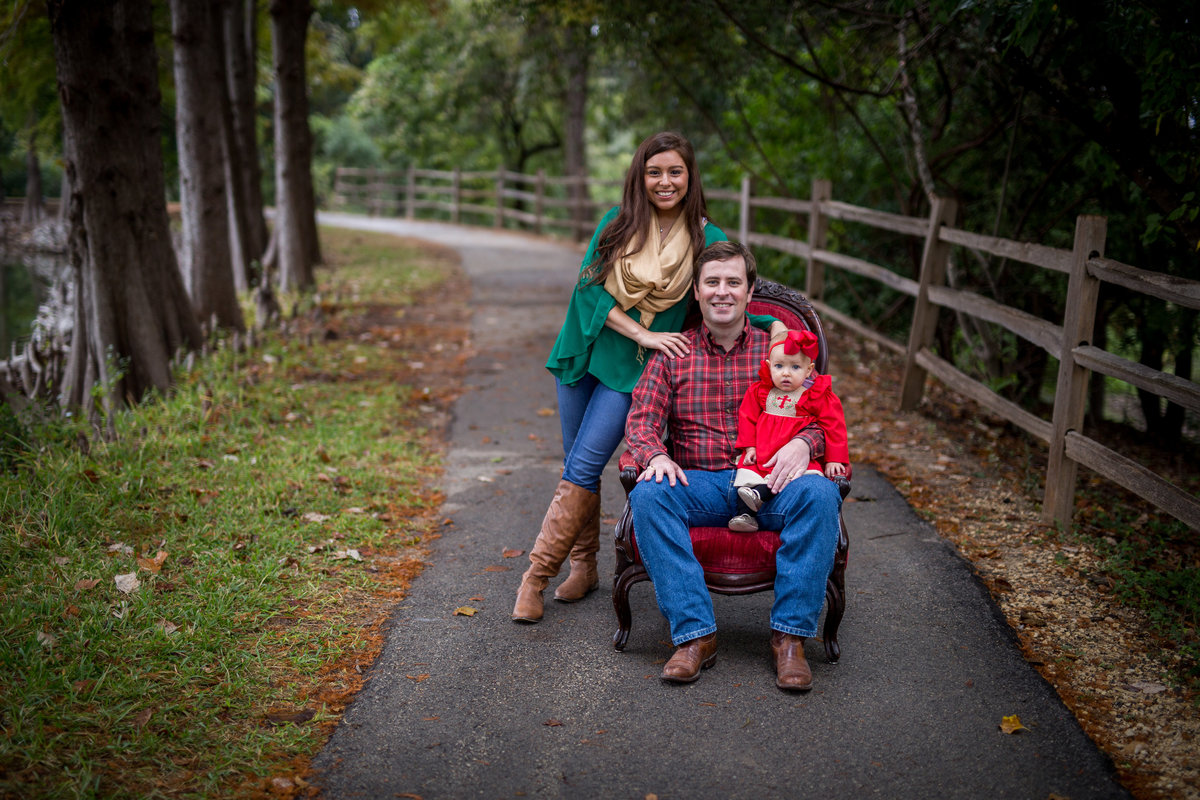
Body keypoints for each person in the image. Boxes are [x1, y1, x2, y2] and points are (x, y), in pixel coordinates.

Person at [512, 132, 783, 623]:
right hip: (587, 348)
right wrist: (644, 331)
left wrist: (771, 323)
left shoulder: (709, 238)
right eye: (654, 171)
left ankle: (533, 577)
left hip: (632, 369)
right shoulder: (616, 225)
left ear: (689, 177)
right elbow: (588, 291)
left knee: (582, 465)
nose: (664, 181)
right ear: (640, 175)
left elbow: (727, 298)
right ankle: (584, 565)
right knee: (579, 465)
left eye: (674, 171)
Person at [624, 240, 843, 691]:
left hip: (772, 483)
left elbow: (826, 413)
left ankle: (790, 639)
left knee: (820, 494)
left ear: (749, 291)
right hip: (698, 484)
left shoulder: (779, 354)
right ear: (698, 293)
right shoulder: (673, 353)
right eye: (712, 283)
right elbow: (641, 421)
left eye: (733, 282)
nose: (722, 291)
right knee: (647, 493)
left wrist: (806, 441)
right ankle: (695, 637)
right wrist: (656, 455)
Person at [728, 328, 849, 533]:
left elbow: (834, 426)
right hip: (764, 453)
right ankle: (745, 516)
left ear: (809, 370)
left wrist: (834, 459)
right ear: (768, 366)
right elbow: (747, 418)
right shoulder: (760, 392)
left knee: (793, 478)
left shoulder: (815, 395)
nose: (786, 373)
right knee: (747, 478)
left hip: (795, 457)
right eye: (779, 366)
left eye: (795, 367)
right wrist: (749, 447)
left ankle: (760, 495)